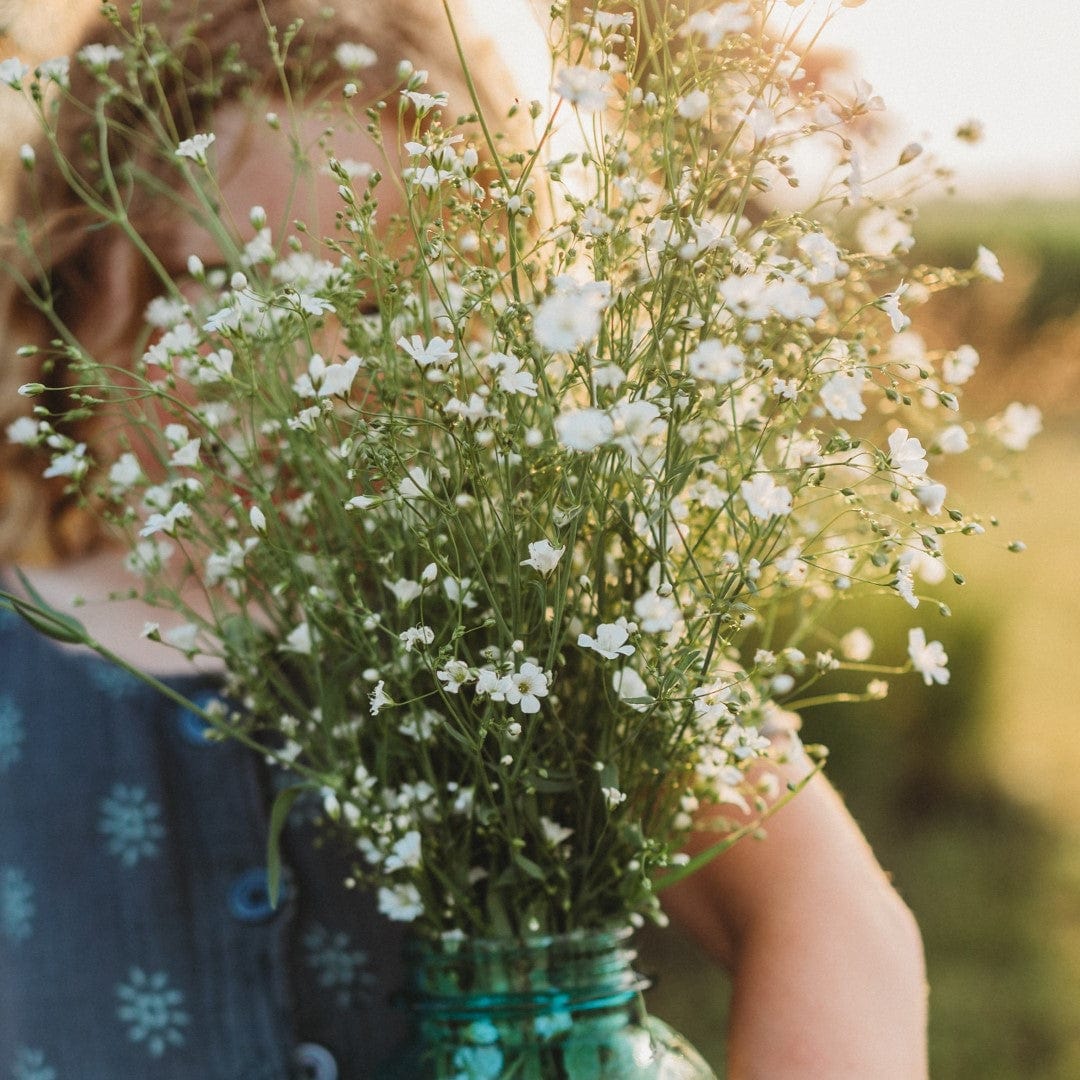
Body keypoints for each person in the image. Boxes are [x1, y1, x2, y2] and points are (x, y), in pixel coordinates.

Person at [0, 2, 928, 1077]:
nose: (305, 368)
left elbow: (830, 917)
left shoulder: (535, 639)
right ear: (79, 281)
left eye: (376, 298)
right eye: (217, 283)